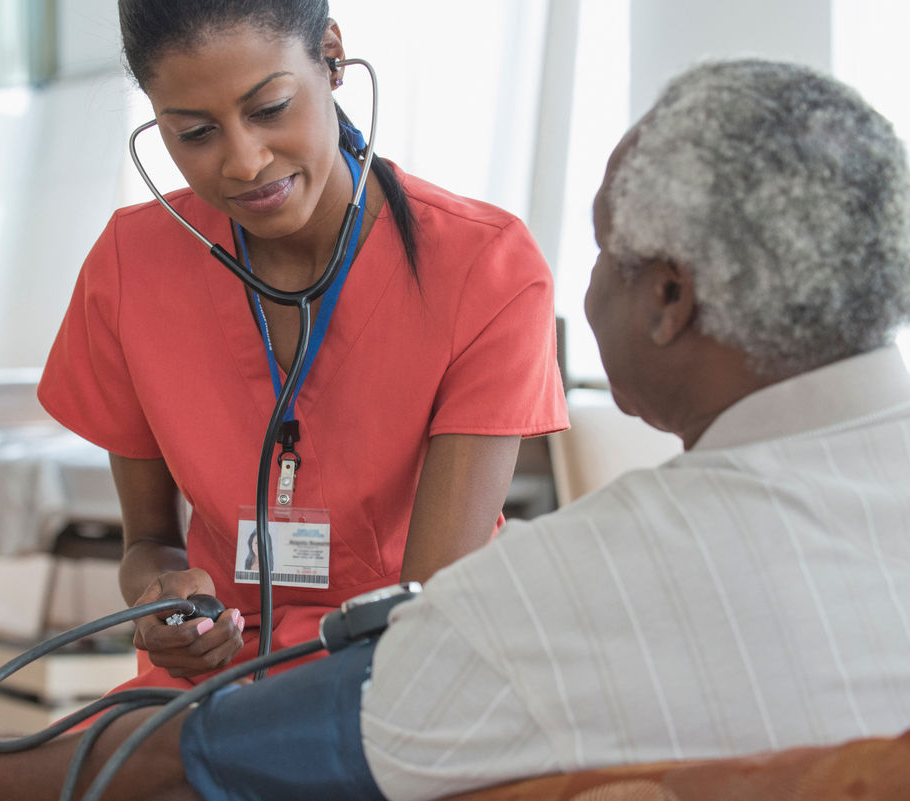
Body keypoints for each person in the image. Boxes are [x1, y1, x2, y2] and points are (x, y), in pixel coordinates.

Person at [0, 57, 910, 801]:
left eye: (603, 253)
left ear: (669, 296)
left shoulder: (562, 599)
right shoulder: (136, 259)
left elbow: (191, 757)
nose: (244, 159)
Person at [35, 0, 566, 698]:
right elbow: (147, 546)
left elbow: (431, 607)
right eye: (195, 132)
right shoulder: (129, 269)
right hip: (208, 685)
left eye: (271, 107)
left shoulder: (487, 267)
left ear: (333, 58)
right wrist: (164, 605)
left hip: (404, 676)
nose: (245, 161)